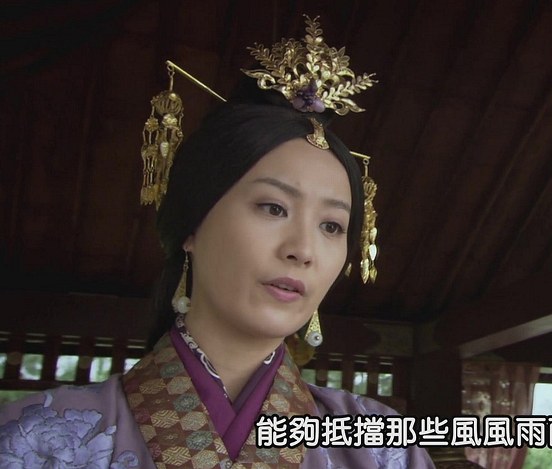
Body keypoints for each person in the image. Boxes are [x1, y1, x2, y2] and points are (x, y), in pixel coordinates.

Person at [0, 16, 434, 468]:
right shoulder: (32, 441)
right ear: (193, 224)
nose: (303, 250)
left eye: (331, 227)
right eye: (273, 208)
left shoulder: (384, 449)